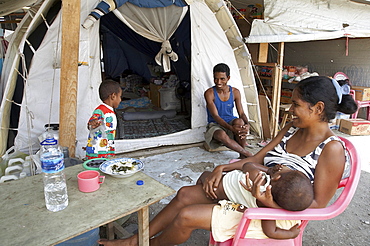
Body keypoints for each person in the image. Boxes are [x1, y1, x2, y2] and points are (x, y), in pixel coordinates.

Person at [98, 75, 358, 245]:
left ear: (319, 108)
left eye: (296, 104)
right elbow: (256, 157)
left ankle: (143, 245)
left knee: (186, 216)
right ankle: (135, 240)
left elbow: (318, 205)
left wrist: (268, 202)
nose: (290, 110)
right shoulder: (291, 129)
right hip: (252, 192)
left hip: (274, 214)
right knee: (185, 194)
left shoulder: (331, 149)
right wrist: (221, 167)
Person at [197, 162, 313, 240]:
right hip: (231, 197)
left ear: (277, 177)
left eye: (290, 170)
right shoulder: (266, 204)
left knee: (205, 176)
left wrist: (269, 170)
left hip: (222, 185)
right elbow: (271, 232)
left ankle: (204, 202)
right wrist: (291, 234)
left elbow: (247, 165)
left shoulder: (257, 176)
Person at [204, 63, 253, 158]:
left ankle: (242, 155)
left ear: (228, 78)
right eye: (216, 78)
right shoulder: (209, 93)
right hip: (215, 125)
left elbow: (241, 113)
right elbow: (216, 116)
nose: (218, 82)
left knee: (240, 121)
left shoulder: (235, 92)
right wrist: (232, 129)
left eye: (222, 79)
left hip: (230, 122)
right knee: (221, 134)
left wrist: (247, 125)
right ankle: (247, 154)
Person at [85, 80, 122, 159]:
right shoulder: (100, 110)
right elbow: (93, 120)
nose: (120, 100)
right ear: (113, 96)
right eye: (120, 97)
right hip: (98, 152)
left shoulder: (109, 110)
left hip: (106, 149)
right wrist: (92, 123)